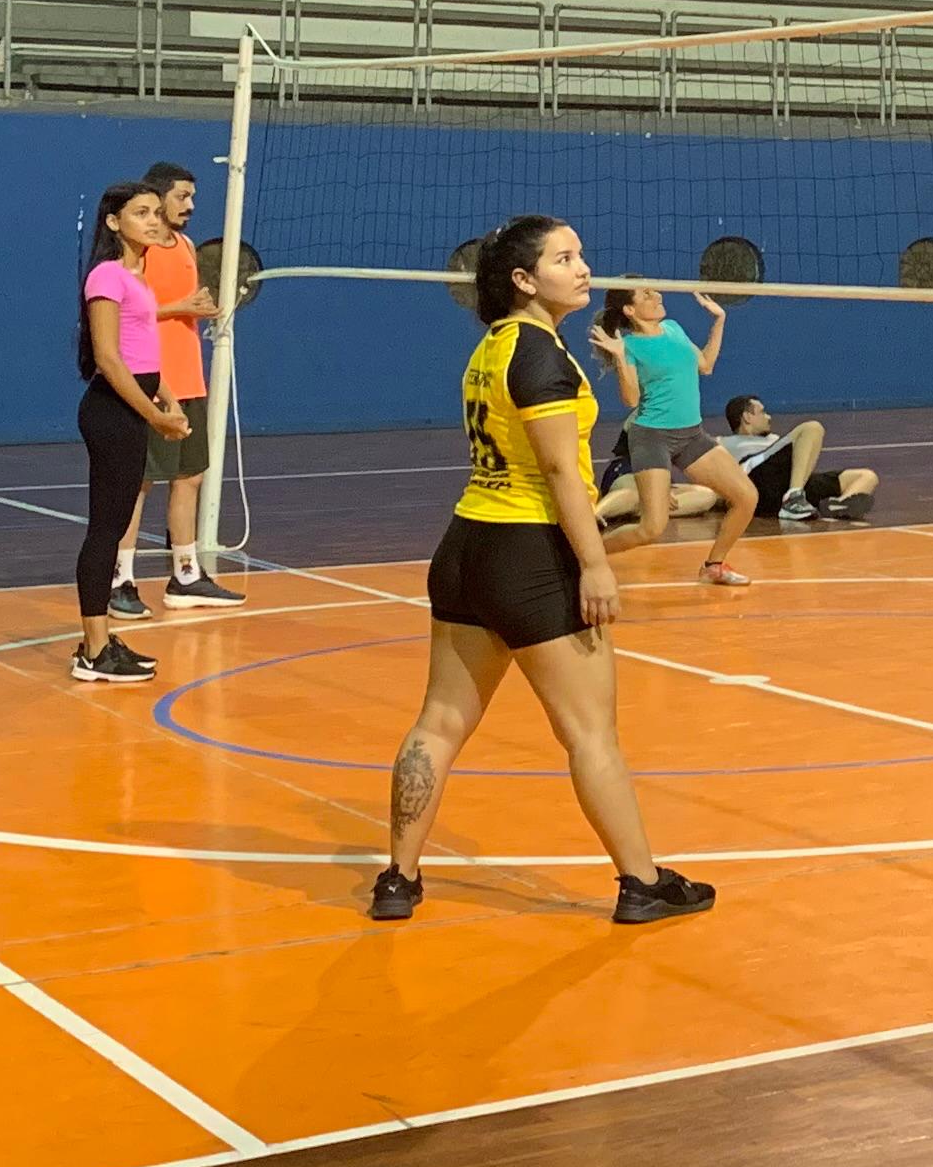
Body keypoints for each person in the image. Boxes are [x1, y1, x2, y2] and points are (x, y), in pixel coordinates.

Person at [369, 214, 716, 929]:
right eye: (565, 258)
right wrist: (594, 564)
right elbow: (560, 470)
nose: (584, 268)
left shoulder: (491, 350)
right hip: (530, 554)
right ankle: (641, 882)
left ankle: (398, 878)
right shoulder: (540, 358)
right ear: (525, 280)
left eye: (580, 254)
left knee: (438, 722)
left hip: (466, 547)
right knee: (591, 734)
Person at [70, 180, 185, 686]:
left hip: (133, 407)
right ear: (114, 222)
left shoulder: (136, 277)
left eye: (158, 213)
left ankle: (97, 643)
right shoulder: (106, 276)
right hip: (112, 412)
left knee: (113, 528)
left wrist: (163, 397)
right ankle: (94, 651)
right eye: (142, 213)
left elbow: (139, 353)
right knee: (104, 531)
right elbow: (110, 359)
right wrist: (155, 416)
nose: (155, 221)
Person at [117, 162, 241, 613]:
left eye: (191, 197)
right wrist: (178, 306)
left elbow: (177, 306)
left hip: (191, 378)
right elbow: (126, 313)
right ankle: (121, 580)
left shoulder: (186, 244)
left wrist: (200, 307)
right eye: (182, 197)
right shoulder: (138, 250)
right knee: (140, 481)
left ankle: (185, 576)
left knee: (191, 477)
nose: (189, 206)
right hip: (153, 380)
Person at [585, 283, 756, 587]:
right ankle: (586, 560)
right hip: (651, 436)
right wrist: (621, 359)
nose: (657, 295)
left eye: (654, 290)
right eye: (647, 294)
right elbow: (631, 400)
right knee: (651, 528)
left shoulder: (674, 329)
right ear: (630, 309)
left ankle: (714, 566)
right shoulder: (630, 346)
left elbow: (705, 365)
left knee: (746, 496)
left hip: (691, 434)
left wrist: (719, 321)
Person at [717, 395, 876, 523]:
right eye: (762, 412)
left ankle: (838, 505)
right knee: (812, 427)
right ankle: (793, 500)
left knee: (866, 476)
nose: (769, 417)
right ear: (747, 417)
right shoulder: (721, 443)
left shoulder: (774, 440)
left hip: (785, 485)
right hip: (757, 481)